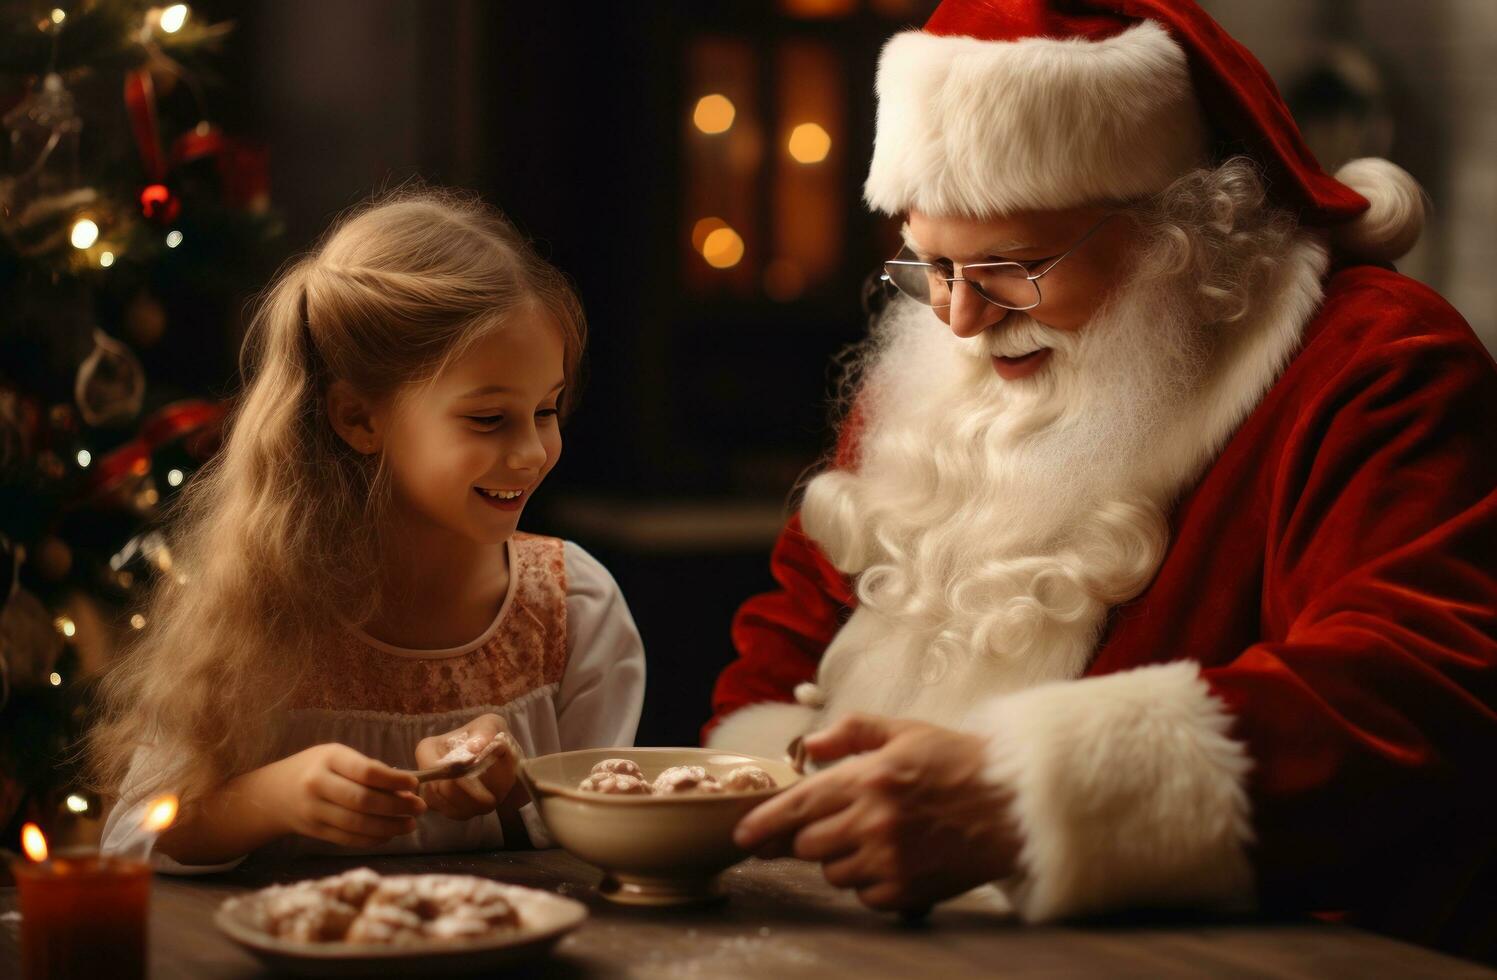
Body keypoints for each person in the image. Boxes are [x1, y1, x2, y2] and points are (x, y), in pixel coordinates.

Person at [707, 0, 1496, 959]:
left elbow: (1420, 684)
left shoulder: (1374, 362)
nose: (958, 319)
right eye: (927, 262)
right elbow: (798, 621)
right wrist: (768, 790)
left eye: (1017, 265)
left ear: (1187, 231)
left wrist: (1023, 795)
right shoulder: (954, 351)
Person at [92, 188, 645, 870]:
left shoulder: (574, 609)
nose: (532, 451)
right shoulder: (253, 603)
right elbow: (135, 837)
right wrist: (274, 797)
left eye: (547, 410)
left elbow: (604, 842)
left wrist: (509, 788)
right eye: (487, 419)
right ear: (358, 418)